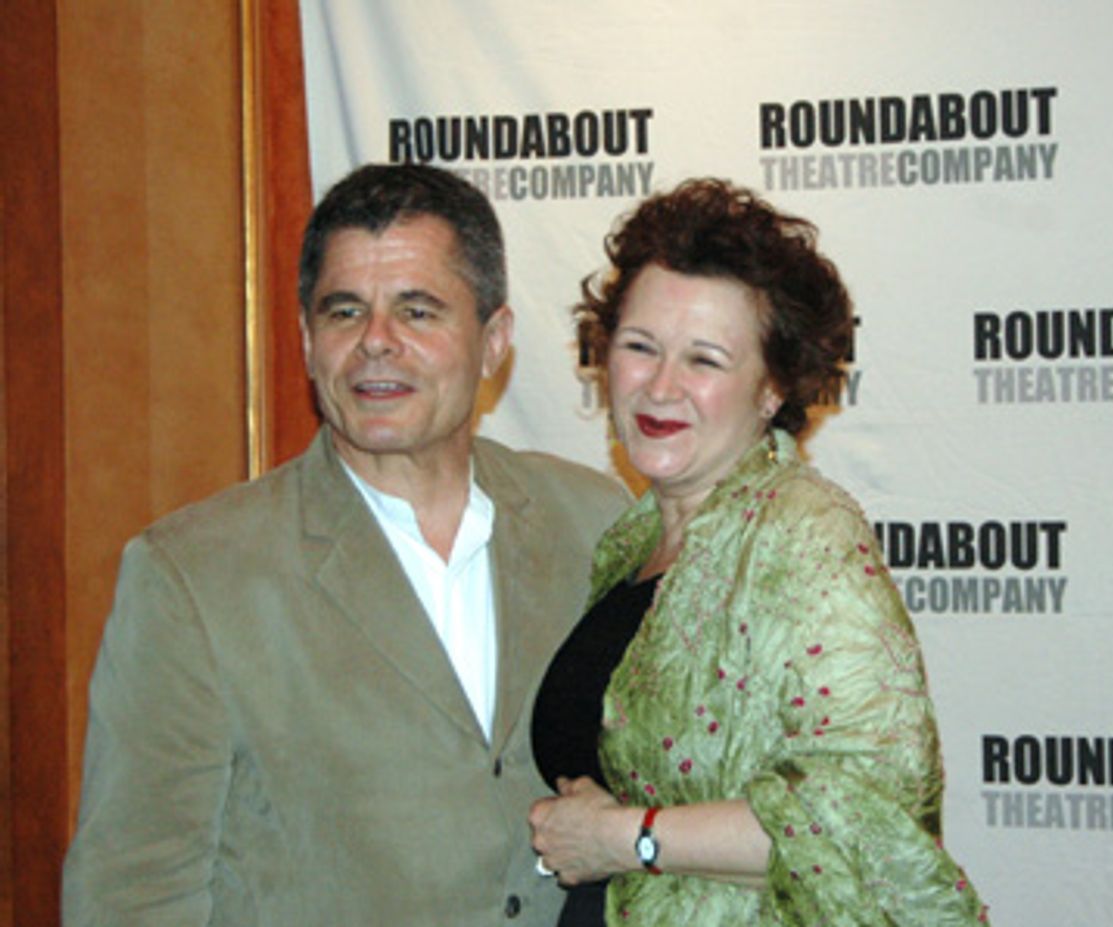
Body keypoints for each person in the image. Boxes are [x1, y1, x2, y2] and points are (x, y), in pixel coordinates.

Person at [62, 163, 631, 926]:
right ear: (307, 342)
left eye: (417, 311)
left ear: (494, 341)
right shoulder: (193, 576)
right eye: (344, 311)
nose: (375, 343)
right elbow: (131, 894)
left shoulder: (594, 522)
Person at [527, 178, 988, 925]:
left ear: (772, 387)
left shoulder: (804, 532)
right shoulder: (631, 541)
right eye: (640, 347)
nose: (661, 386)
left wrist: (625, 837)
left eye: (705, 360)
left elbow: (869, 815)